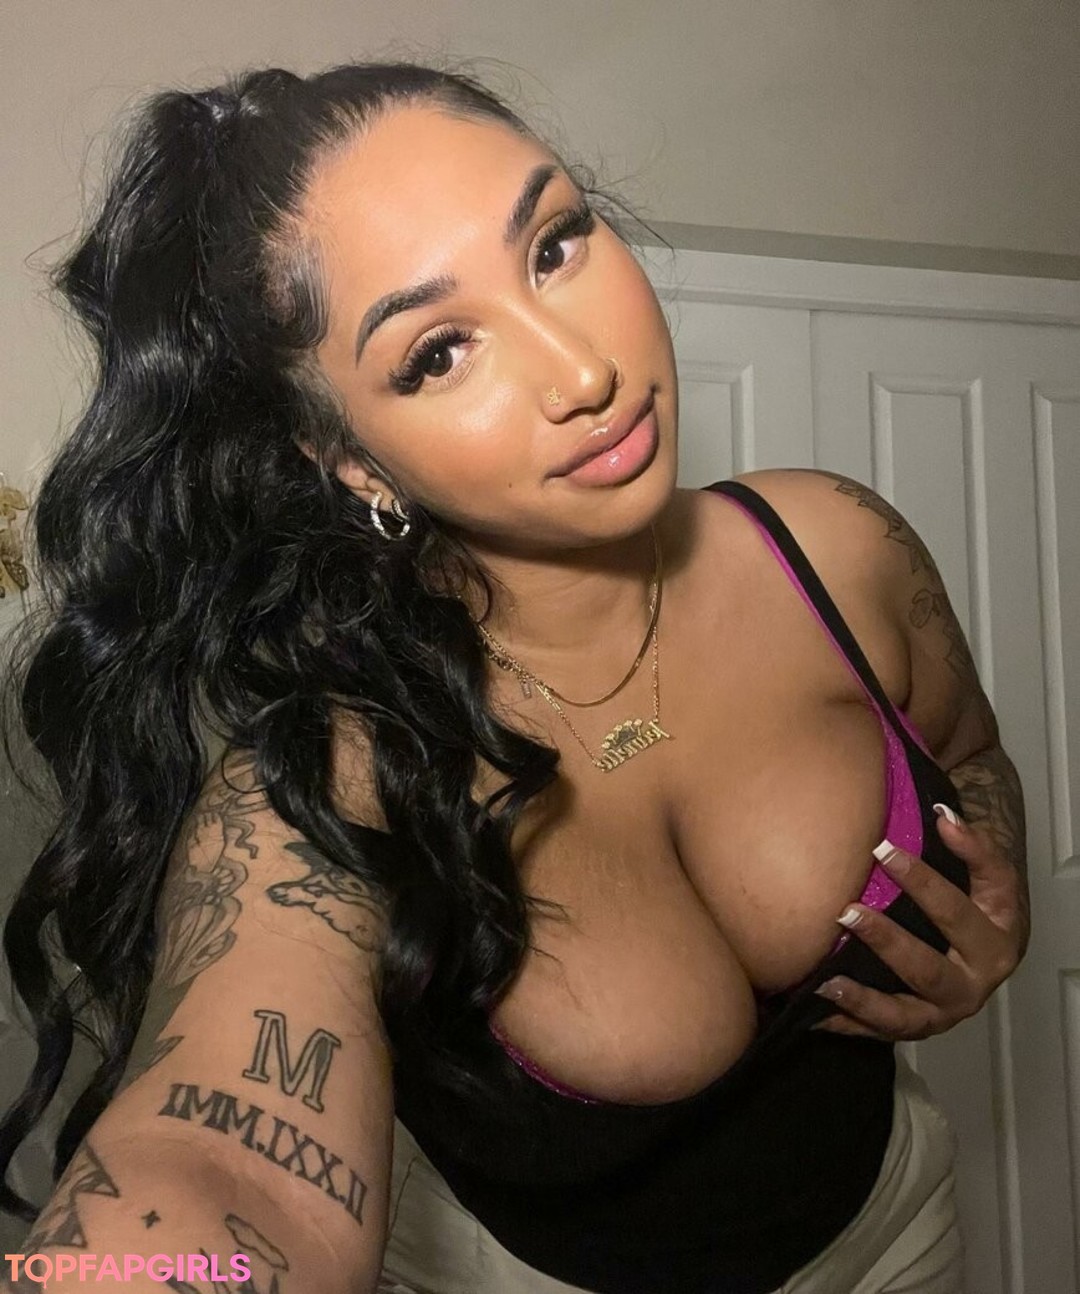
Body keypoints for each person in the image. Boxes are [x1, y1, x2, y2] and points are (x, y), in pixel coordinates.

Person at [0, 63, 1028, 1294]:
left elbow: (970, 749)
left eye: (553, 245)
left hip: (902, 1228)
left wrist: (997, 897)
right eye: (439, 352)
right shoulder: (328, 782)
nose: (582, 371)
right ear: (351, 459)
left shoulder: (842, 547)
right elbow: (222, 1160)